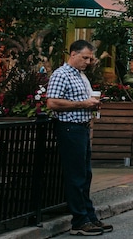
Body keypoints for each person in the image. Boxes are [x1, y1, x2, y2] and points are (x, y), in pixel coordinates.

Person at [46, 39, 112, 236]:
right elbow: (52, 103)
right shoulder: (61, 74)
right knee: (76, 176)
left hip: (81, 128)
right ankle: (79, 221)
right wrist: (83, 104)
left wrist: (92, 104)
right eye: (85, 58)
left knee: (85, 175)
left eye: (90, 59)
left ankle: (89, 216)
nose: (88, 62)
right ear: (73, 54)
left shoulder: (80, 75)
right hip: (69, 128)